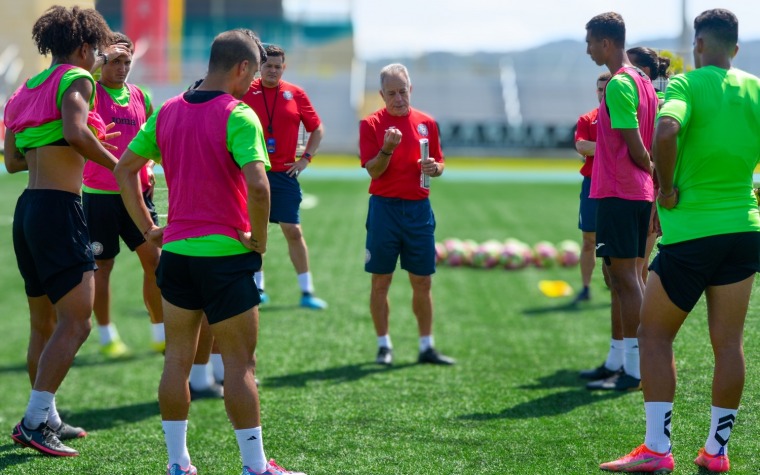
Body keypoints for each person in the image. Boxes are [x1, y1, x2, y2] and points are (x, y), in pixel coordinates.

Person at [114, 29, 305, 475]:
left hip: (177, 256)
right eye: (253, 73)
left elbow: (125, 170)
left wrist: (149, 229)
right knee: (239, 365)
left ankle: (178, 464)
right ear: (241, 68)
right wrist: (258, 240)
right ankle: (255, 467)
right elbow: (259, 187)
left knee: (176, 359)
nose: (253, 83)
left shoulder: (166, 111)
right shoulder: (239, 115)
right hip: (225, 257)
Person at [600, 9, 760, 473]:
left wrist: (666, 189)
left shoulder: (687, 85)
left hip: (692, 233)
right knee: (729, 345)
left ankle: (656, 449)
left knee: (653, 335)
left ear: (697, 45)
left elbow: (665, 129)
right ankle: (716, 452)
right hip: (744, 231)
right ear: (734, 47)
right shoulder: (754, 88)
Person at [4, 5, 118, 457]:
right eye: (98, 52)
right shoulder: (77, 78)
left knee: (43, 323)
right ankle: (33, 421)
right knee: (77, 321)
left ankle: (46, 414)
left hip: (28, 208)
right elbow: (74, 132)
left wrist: (60, 135)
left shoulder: (23, 91)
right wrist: (120, 167)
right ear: (83, 47)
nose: (98, 61)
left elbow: (11, 161)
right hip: (59, 208)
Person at [359, 63, 454, 366]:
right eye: (391, 93)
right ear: (381, 94)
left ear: (410, 89)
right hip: (385, 209)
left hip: (418, 209)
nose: (398, 98)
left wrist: (434, 169)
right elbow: (372, 170)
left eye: (403, 91)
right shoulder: (372, 124)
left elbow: (439, 162)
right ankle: (383, 345)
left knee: (423, 281)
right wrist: (387, 149)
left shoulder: (427, 122)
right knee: (380, 281)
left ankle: (427, 345)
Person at [582, 12, 658, 391]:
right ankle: (632, 362)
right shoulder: (644, 81)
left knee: (626, 281)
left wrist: (652, 169)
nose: (588, 49)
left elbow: (637, 147)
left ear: (607, 43)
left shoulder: (619, 84)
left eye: (591, 42)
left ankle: (634, 369)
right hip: (635, 192)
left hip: (620, 190)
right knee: (624, 278)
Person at [82, 32, 165, 358]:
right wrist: (100, 58)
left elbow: (152, 138)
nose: (121, 67)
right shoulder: (89, 91)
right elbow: (79, 75)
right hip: (100, 195)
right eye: (115, 60)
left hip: (138, 193)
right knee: (103, 266)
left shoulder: (141, 96)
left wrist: (152, 167)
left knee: (155, 261)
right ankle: (106, 336)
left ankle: (159, 331)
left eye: (126, 61)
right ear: (102, 61)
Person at [242, 44, 327, 310]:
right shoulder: (245, 91)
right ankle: (257, 286)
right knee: (253, 230)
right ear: (260, 67)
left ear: (284, 67)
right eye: (268, 66)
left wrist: (305, 159)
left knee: (293, 230)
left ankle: (307, 291)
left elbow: (317, 129)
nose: (273, 71)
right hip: (252, 173)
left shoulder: (296, 93)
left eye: (278, 66)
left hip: (284, 175)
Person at [627, 46, 672, 284]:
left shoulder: (659, 103)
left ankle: (641, 320)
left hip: (650, 191)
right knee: (634, 270)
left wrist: (658, 202)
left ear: (644, 70)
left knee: (635, 270)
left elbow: (661, 153)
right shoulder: (640, 98)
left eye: (629, 66)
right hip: (642, 190)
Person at [572, 71, 610, 304]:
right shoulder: (588, 119)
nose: (602, 93)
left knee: (615, 242)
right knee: (589, 239)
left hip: (619, 186)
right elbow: (582, 146)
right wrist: (613, 147)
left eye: (607, 89)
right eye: (599, 89)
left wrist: (597, 148)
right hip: (592, 185)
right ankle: (585, 288)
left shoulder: (628, 117)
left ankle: (618, 284)